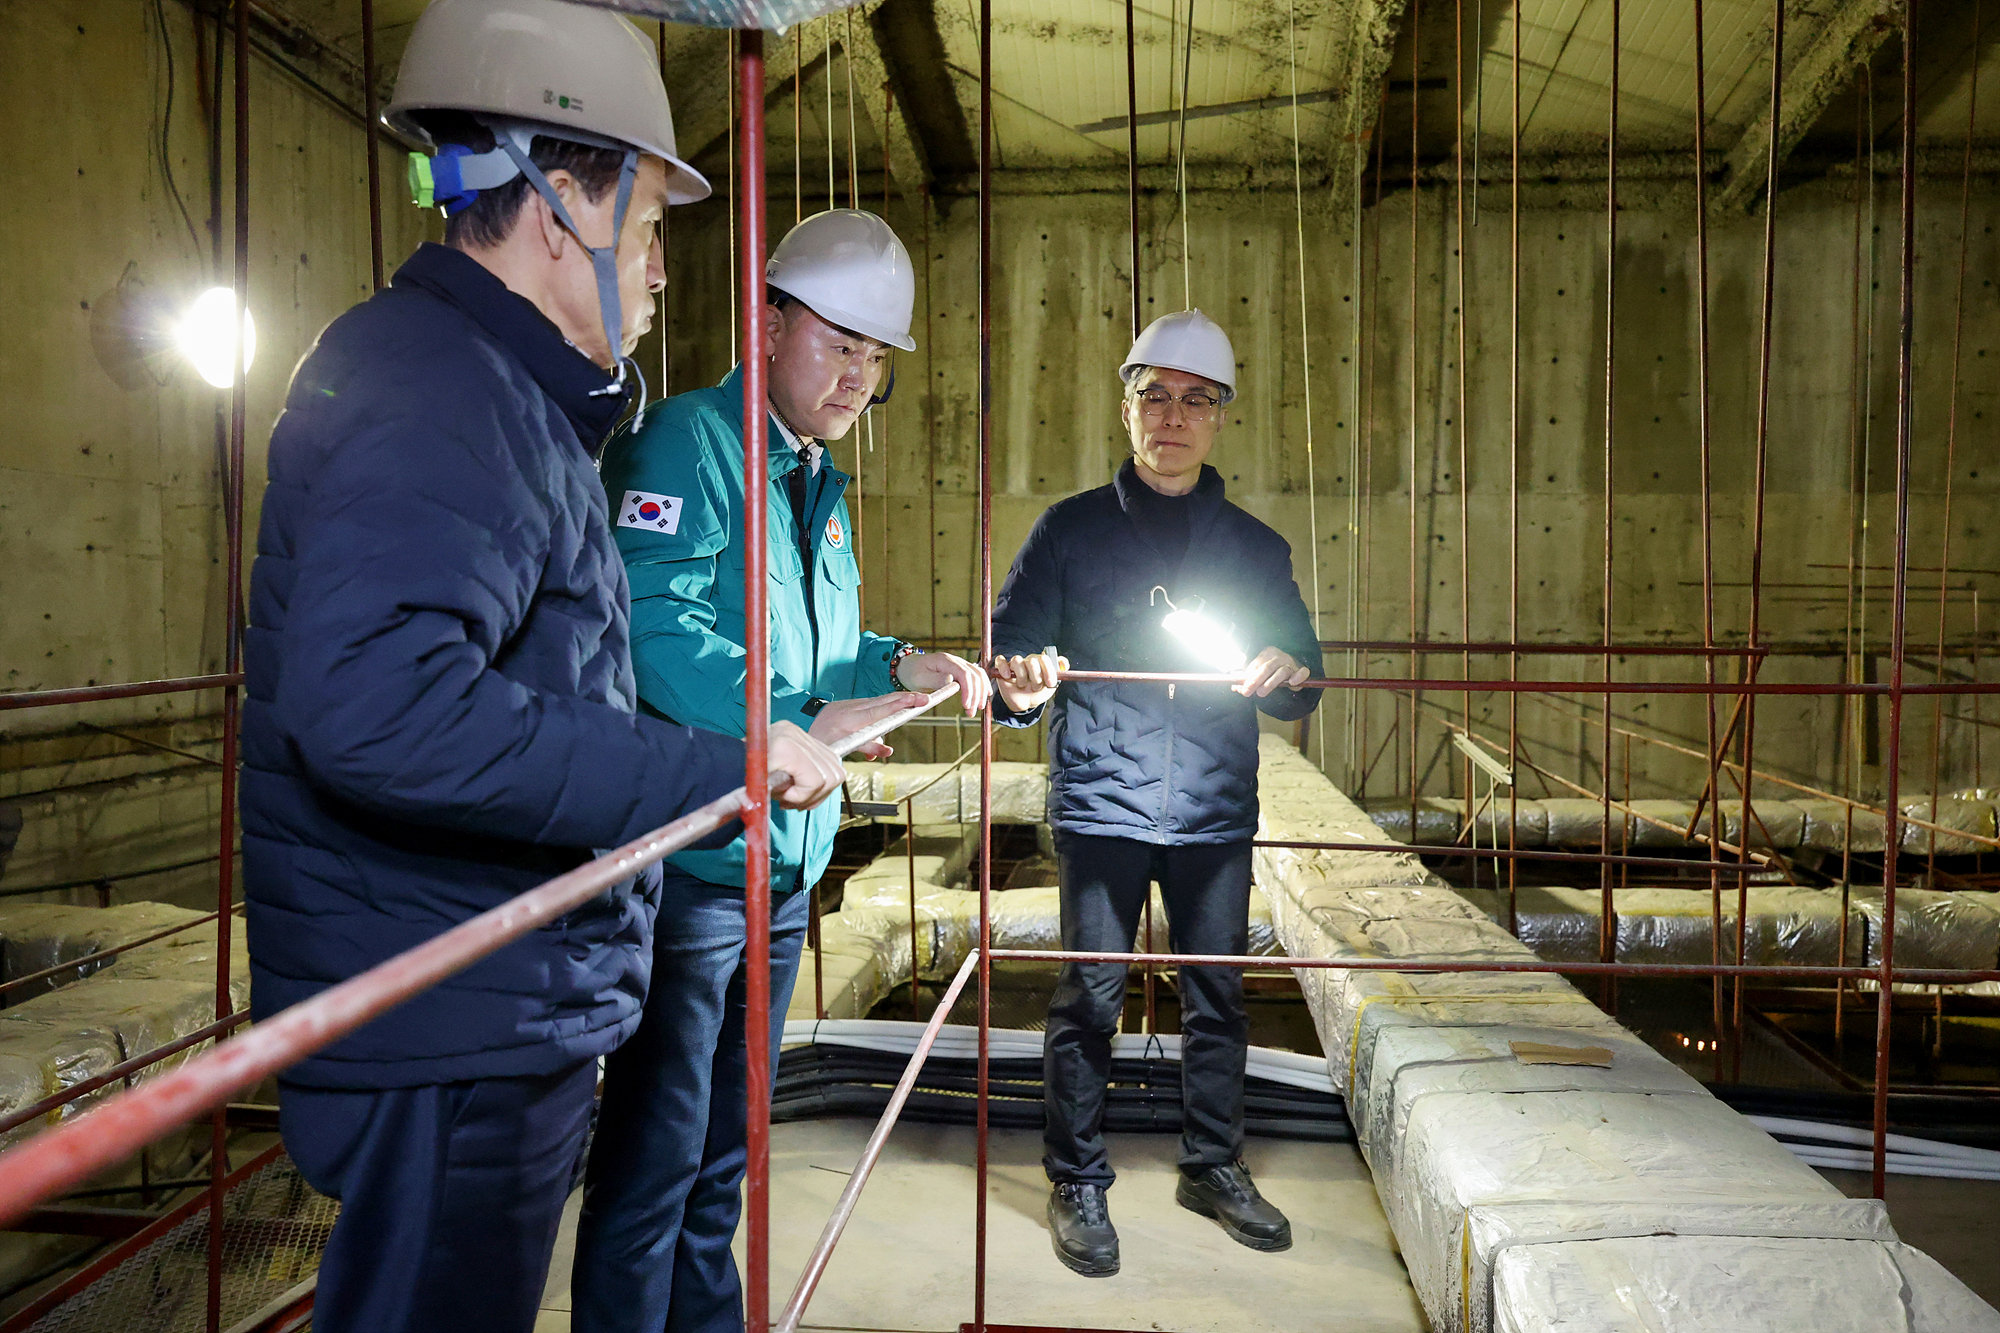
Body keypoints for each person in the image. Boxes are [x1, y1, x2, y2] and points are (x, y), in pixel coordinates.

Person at [240, 4, 847, 1331]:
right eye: (650, 226)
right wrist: (713, 769)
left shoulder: (494, 396)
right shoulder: (443, 389)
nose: (660, 269)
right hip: (447, 1016)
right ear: (562, 202)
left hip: (478, 999)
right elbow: (384, 707)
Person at [573, 208, 992, 1332]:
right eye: (837, 344)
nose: (858, 376)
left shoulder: (812, 478)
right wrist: (787, 721)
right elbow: (654, 623)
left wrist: (898, 661)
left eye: (875, 357)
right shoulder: (686, 444)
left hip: (784, 874)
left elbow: (808, 650)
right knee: (654, 1160)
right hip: (695, 872)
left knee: (726, 1153)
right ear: (765, 324)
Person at [987, 309, 1324, 1278]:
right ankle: (1075, 1175)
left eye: (1194, 400)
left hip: (1212, 806)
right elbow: (1011, 651)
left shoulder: (1255, 549)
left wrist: (1288, 668)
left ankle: (1212, 1164)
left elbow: (1303, 670)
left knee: (1217, 994)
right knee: (1089, 993)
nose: (1171, 417)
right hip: (1103, 798)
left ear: (1220, 416)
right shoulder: (1069, 531)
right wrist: (1021, 680)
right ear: (1126, 406)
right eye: (1154, 396)